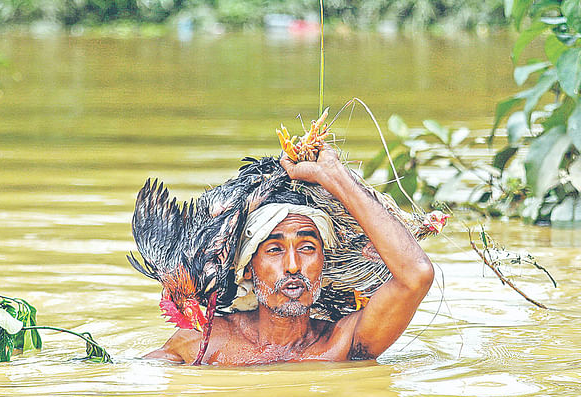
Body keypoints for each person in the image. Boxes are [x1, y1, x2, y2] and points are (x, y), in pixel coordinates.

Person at [144, 147, 436, 365]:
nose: (294, 265)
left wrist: (334, 176)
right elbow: (129, 382)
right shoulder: (203, 344)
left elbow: (416, 274)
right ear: (247, 269)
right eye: (274, 249)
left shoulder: (341, 346)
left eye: (308, 248)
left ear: (324, 263)